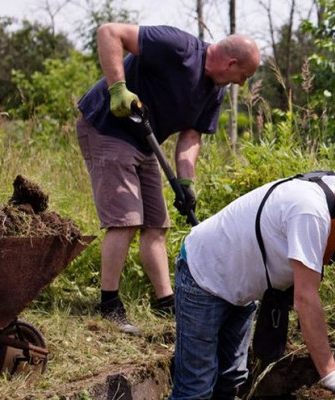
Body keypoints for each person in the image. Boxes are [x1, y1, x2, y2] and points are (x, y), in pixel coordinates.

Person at [171, 165, 335, 399]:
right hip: (204, 276)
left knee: (231, 377)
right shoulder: (310, 210)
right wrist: (331, 373)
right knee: (196, 386)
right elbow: (305, 297)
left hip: (241, 284)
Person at [76, 22, 261, 335]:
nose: (242, 84)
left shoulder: (214, 92)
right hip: (107, 128)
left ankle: (166, 301)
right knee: (126, 220)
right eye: (244, 76)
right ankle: (109, 305)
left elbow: (191, 138)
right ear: (231, 64)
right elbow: (109, 32)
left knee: (157, 224)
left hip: (145, 142)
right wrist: (118, 88)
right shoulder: (178, 47)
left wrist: (185, 182)